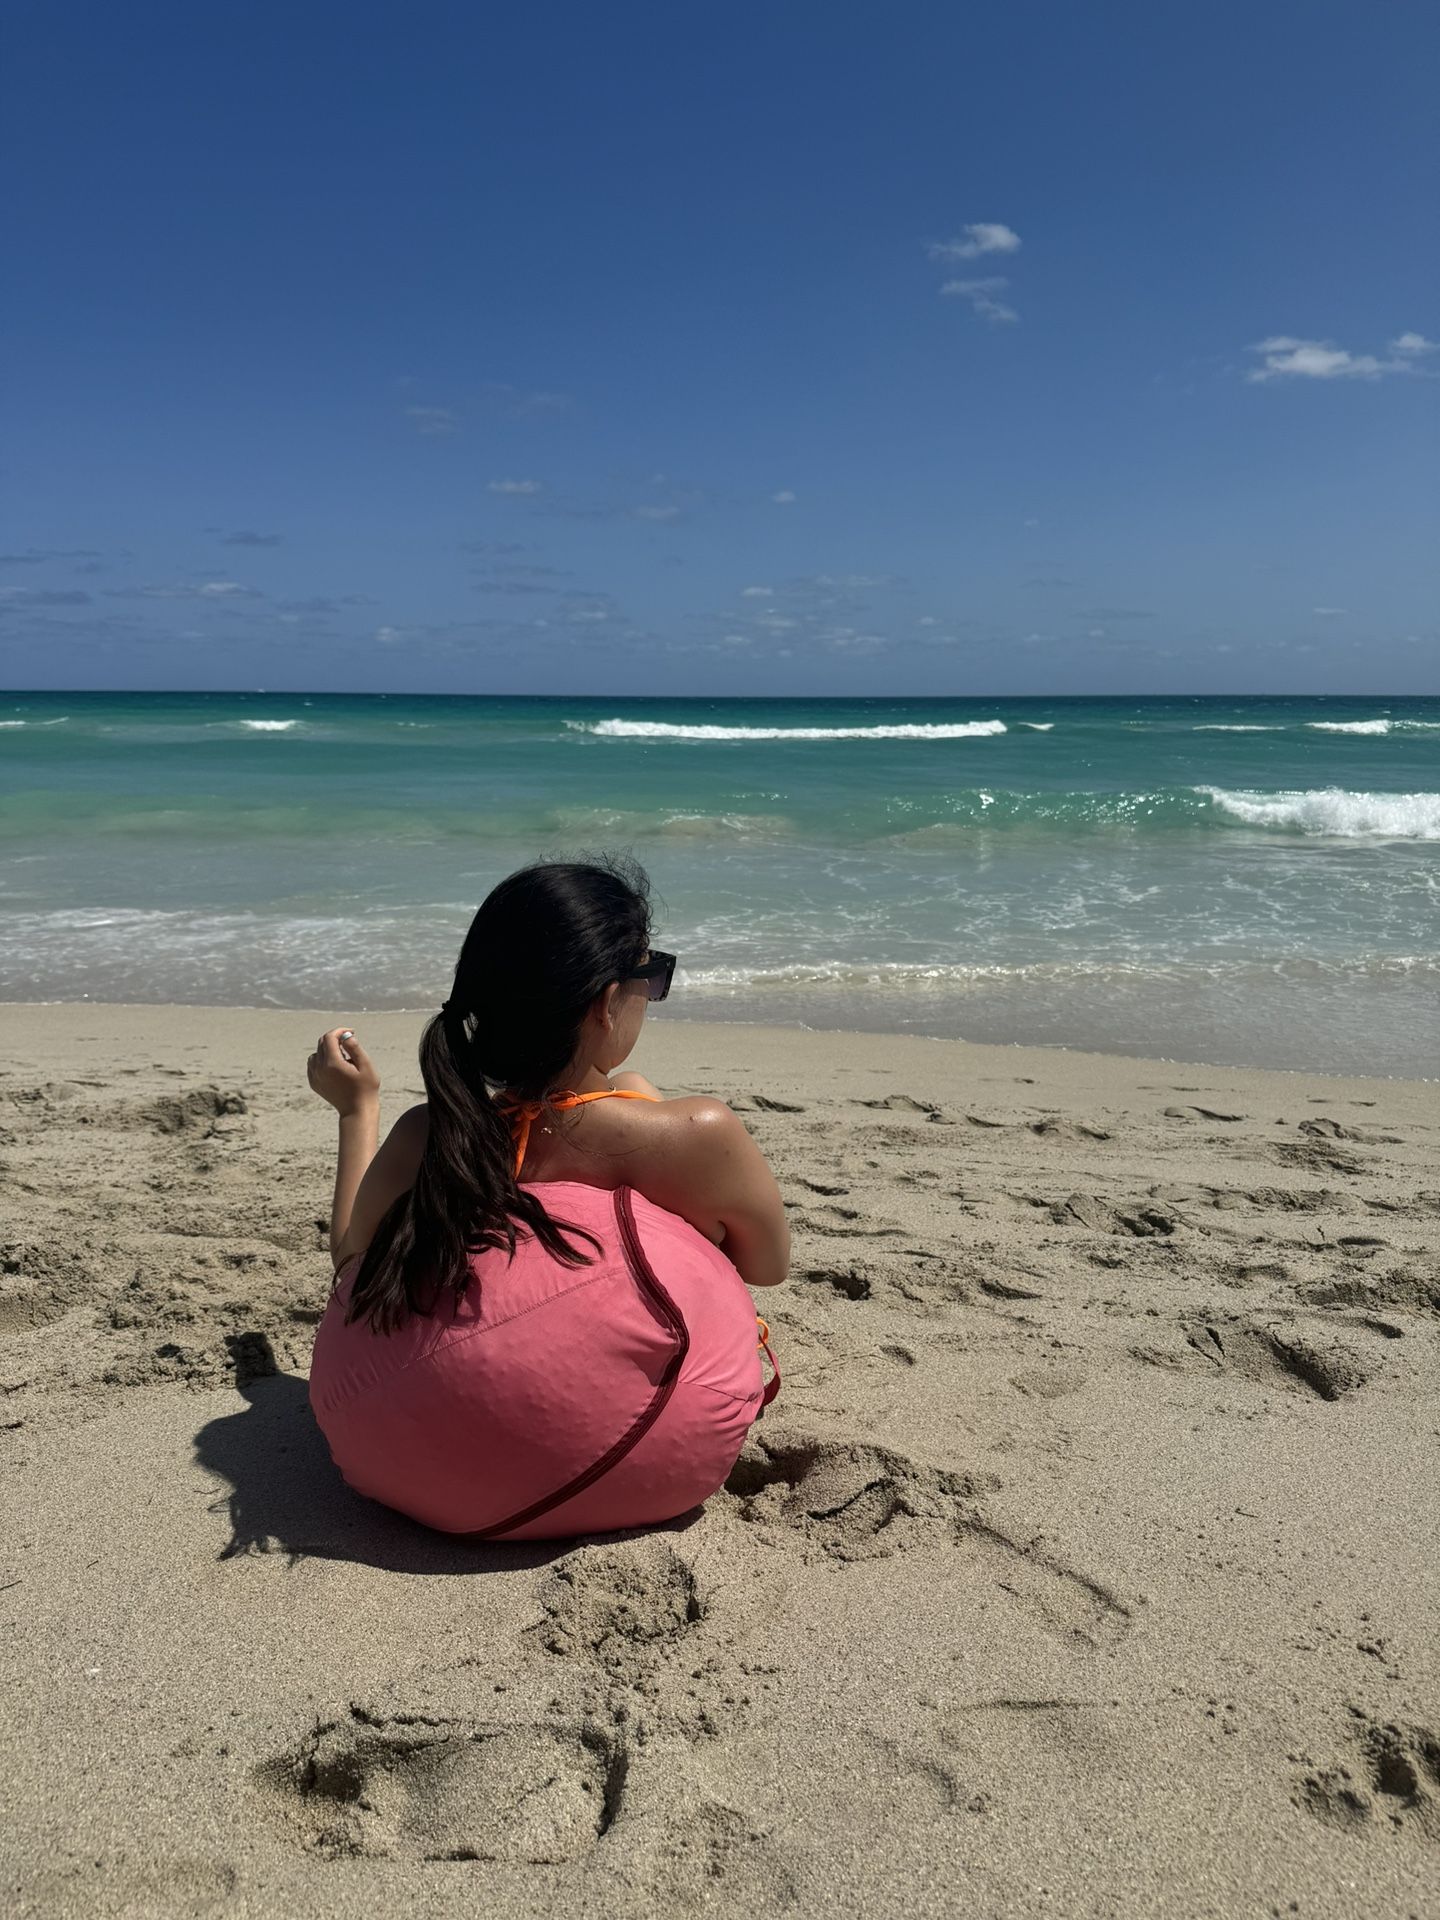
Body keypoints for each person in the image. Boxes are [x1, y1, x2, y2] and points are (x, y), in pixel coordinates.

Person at [304, 858, 789, 1540]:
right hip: (635, 1466)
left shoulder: (431, 1135)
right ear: (606, 1002)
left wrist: (358, 1111)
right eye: (652, 977)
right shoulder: (694, 1134)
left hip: (410, 1462)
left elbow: (352, 1261)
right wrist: (643, 1110)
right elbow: (767, 1264)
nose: (652, 995)